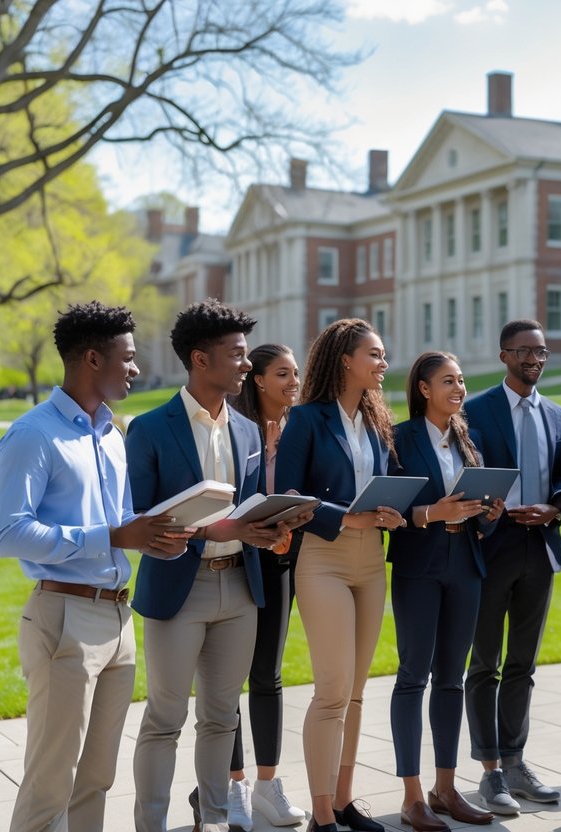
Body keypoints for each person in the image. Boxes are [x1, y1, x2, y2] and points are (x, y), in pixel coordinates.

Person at [0, 302, 190, 832]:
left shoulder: (111, 434)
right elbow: (7, 533)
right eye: (128, 358)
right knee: (50, 780)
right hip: (64, 619)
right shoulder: (33, 434)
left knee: (96, 778)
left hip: (118, 621)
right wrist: (112, 536)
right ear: (93, 359)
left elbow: (120, 521)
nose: (136, 370)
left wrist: (152, 535)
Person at [127, 299, 306, 832]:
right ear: (200, 360)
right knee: (165, 720)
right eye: (237, 355)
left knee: (221, 719)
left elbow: (245, 512)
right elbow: (138, 520)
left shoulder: (249, 431)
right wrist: (217, 530)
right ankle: (151, 825)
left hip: (241, 591)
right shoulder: (151, 428)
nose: (246, 365)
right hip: (178, 590)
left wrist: (272, 529)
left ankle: (217, 819)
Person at [276, 320, 404, 832]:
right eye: (374, 354)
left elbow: (385, 484)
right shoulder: (304, 420)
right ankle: (322, 813)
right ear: (345, 360)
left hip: (371, 560)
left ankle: (346, 803)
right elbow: (287, 495)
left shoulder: (376, 421)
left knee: (355, 691)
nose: (382, 363)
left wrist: (392, 509)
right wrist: (346, 517)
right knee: (331, 689)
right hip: (322, 559)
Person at [388, 351, 505, 832]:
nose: (459, 389)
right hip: (419, 565)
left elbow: (478, 519)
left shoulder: (469, 438)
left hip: (465, 565)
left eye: (461, 381)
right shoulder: (397, 439)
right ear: (423, 389)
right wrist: (433, 513)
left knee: (453, 678)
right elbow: (392, 514)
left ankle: (446, 787)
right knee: (414, 676)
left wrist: (489, 515)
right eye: (448, 381)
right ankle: (412, 796)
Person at [462, 319, 561, 814]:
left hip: (539, 548)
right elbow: (461, 473)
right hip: (490, 547)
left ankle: (515, 761)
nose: (535, 360)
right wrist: (489, 504)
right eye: (525, 351)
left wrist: (557, 505)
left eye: (541, 352)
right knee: (484, 663)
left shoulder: (558, 415)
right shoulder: (474, 411)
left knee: (522, 665)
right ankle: (489, 772)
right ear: (505, 355)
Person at [225, 343, 307, 828]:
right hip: (235, 561)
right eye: (283, 373)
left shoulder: (300, 429)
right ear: (257, 379)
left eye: (296, 373)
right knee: (227, 679)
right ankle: (231, 785)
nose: (294, 381)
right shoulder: (234, 428)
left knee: (268, 674)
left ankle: (267, 786)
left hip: (281, 562)